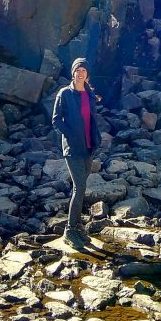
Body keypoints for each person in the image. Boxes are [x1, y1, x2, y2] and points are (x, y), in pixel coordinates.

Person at [51, 57, 101, 247]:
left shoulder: (89, 94)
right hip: (73, 148)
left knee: (80, 188)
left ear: (87, 74)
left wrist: (97, 138)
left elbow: (92, 119)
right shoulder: (64, 93)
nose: (80, 74)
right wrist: (70, 135)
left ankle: (78, 226)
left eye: (84, 71)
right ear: (73, 72)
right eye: (77, 70)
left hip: (89, 146)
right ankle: (70, 230)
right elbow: (56, 120)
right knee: (79, 187)